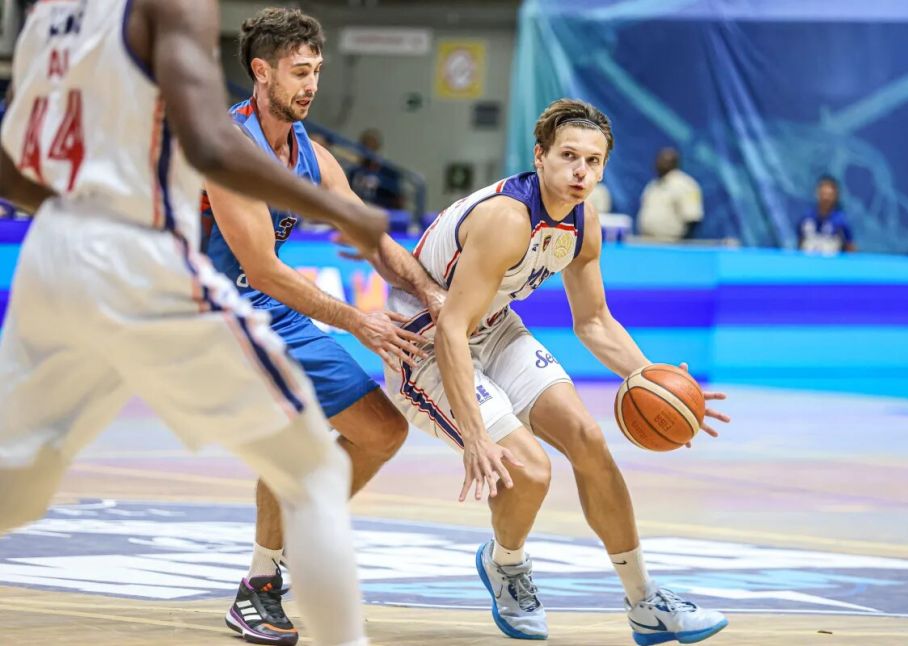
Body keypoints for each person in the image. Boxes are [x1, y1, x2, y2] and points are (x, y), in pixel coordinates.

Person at [0, 2, 387, 645]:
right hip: (137, 252)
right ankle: (294, 609)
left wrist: (77, 216)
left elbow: (10, 166)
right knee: (313, 471)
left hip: (50, 249)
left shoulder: (47, 16)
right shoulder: (172, 5)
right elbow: (211, 145)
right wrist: (341, 212)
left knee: (17, 483)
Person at [385, 99, 730, 644]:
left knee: (588, 439)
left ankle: (645, 602)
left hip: (494, 327)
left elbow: (593, 321)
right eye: (569, 156)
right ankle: (506, 564)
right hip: (424, 344)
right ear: (539, 157)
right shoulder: (506, 219)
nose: (580, 172)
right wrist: (475, 435)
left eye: (593, 161)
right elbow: (450, 328)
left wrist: (654, 381)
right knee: (529, 469)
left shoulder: (583, 222)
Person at [201, 9, 443, 644]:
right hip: (209, 313)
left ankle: (298, 542)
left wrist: (431, 292)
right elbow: (262, 267)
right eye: (299, 72)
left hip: (271, 311)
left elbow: (369, 235)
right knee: (296, 441)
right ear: (262, 72)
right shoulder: (229, 150)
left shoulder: (313, 154)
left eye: (316, 71)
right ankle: (259, 585)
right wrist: (359, 321)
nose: (311, 85)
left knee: (382, 432)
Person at [637, 147, 704, 241]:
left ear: (675, 163)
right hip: (647, 241)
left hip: (672, 243)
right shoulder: (653, 185)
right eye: (659, 160)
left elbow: (692, 218)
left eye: (665, 161)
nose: (660, 163)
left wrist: (683, 243)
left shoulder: (686, 185)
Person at [797, 175, 856, 253]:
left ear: (836, 196)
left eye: (829, 195)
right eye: (823, 194)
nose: (826, 198)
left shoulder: (841, 221)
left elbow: (850, 247)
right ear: (817, 194)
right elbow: (800, 243)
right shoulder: (806, 218)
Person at [348, 128, 404, 210]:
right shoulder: (354, 172)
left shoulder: (389, 173)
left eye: (372, 146)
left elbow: (397, 201)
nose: (368, 149)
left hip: (377, 211)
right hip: (355, 209)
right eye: (365, 145)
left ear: (377, 147)